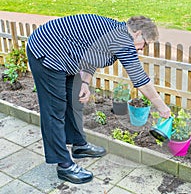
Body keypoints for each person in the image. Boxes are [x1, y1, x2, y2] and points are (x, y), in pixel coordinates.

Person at [26, 14, 171, 184]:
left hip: (65, 53)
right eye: (144, 44)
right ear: (138, 33)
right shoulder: (122, 39)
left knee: (74, 102)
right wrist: (162, 107)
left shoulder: (115, 33)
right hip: (46, 51)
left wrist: (85, 82)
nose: (142, 49)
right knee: (54, 110)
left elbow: (92, 54)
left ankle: (79, 145)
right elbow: (140, 79)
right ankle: (64, 165)